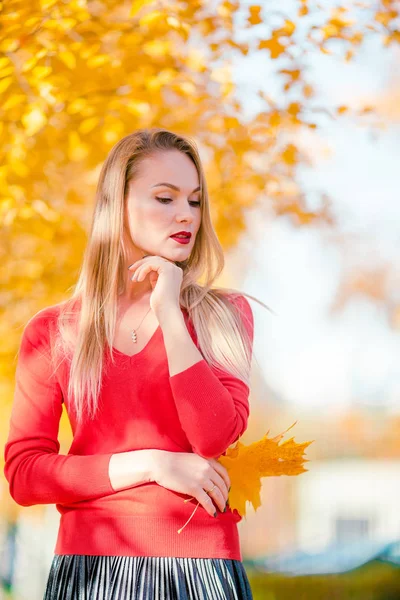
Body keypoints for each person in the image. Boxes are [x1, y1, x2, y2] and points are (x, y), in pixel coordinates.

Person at [4, 127, 260, 599]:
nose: (186, 214)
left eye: (195, 201)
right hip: (91, 571)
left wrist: (170, 312)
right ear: (116, 207)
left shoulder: (223, 316)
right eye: (165, 198)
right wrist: (151, 464)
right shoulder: (53, 331)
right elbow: (24, 474)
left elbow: (214, 435)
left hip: (202, 570)